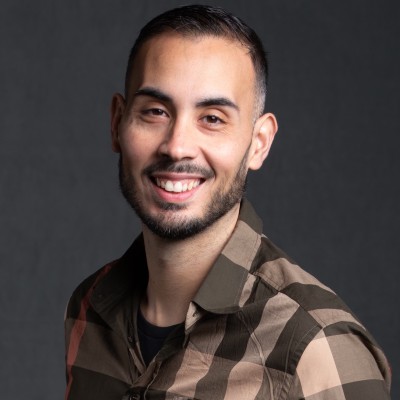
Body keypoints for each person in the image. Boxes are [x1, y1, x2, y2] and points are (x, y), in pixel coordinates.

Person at [64, 5, 391, 400]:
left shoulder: (316, 346)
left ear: (259, 143)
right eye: (155, 112)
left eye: (213, 118)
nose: (177, 146)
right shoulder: (90, 307)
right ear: (118, 122)